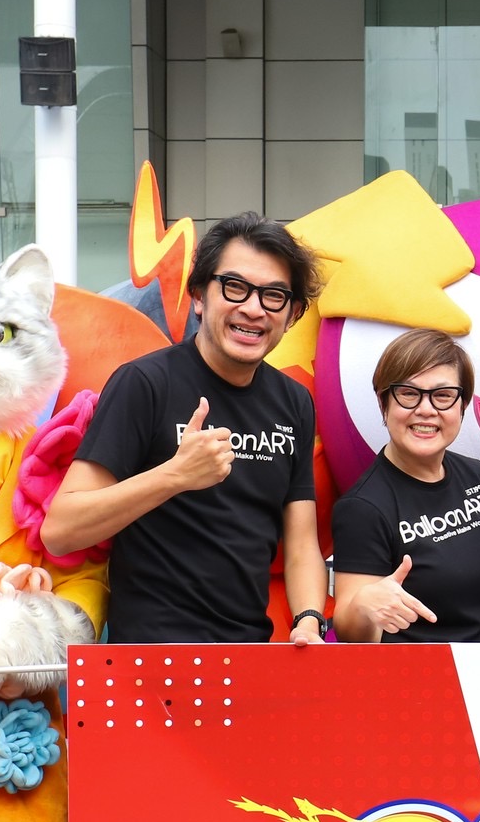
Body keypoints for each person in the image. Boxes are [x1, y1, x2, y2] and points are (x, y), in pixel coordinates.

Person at [45, 212, 327, 644]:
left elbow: (302, 544)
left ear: (292, 315)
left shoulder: (294, 402)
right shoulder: (144, 383)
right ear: (199, 295)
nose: (253, 308)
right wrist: (175, 475)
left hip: (250, 653)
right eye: (235, 287)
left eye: (274, 296)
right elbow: (61, 531)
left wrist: (308, 620)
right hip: (152, 656)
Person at [331, 329, 480, 644]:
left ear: (462, 405)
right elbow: (351, 632)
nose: (426, 409)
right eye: (408, 393)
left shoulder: (474, 475)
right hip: (423, 671)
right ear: (383, 402)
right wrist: (363, 606)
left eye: (443, 395)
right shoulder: (362, 508)